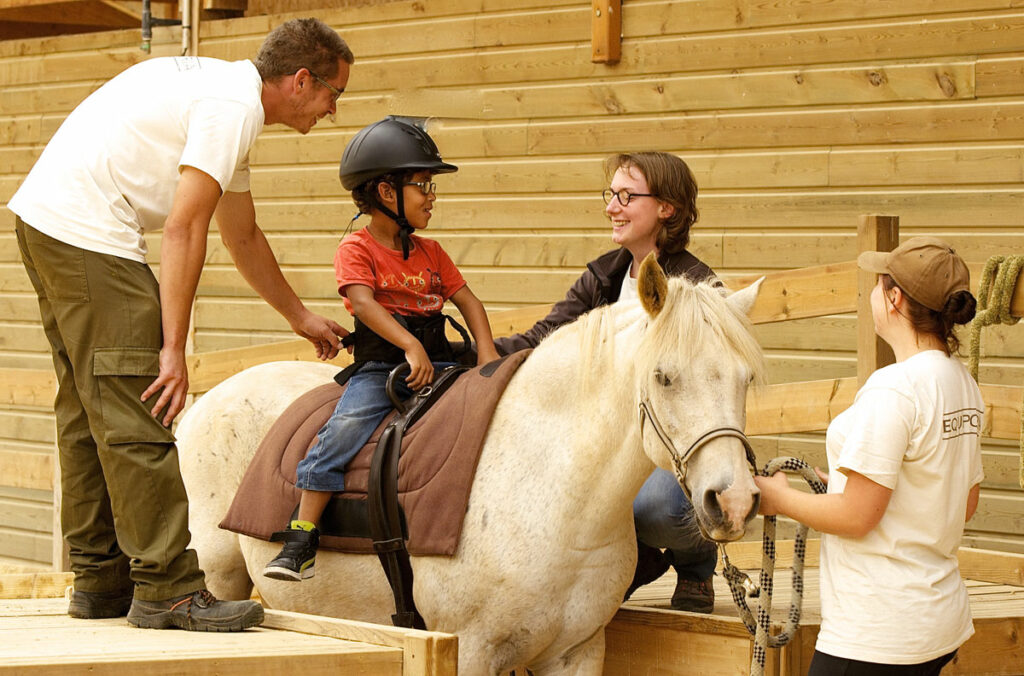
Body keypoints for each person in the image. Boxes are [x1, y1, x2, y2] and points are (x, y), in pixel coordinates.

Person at [9, 18, 354, 631]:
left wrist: (299, 316)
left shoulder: (227, 101)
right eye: (333, 94)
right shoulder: (231, 107)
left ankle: (99, 578)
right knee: (139, 405)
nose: (332, 110)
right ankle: (167, 588)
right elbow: (183, 228)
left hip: (47, 219)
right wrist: (172, 348)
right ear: (301, 80)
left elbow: (239, 232)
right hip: (87, 230)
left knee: (90, 407)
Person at [263, 117, 501, 582]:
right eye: (423, 186)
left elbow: (468, 301)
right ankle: (302, 535)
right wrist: (411, 346)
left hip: (441, 359)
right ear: (387, 194)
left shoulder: (432, 252)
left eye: (432, 187)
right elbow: (363, 303)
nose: (431, 197)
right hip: (382, 367)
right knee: (342, 432)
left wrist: (489, 356)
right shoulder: (356, 248)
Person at [494, 151, 724, 613]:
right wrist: (471, 351)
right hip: (608, 444)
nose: (611, 207)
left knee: (663, 509)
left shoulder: (698, 288)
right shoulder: (605, 273)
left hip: (673, 448)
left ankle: (695, 567)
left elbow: (710, 391)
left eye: (626, 196)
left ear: (667, 208)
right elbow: (545, 336)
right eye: (610, 195)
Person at [755, 237, 983, 675]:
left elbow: (858, 516)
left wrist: (776, 498)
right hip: (935, 622)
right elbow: (960, 501)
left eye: (879, 286)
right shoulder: (962, 383)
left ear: (894, 299)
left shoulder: (894, 388)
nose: (874, 295)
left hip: (876, 635)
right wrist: (845, 482)